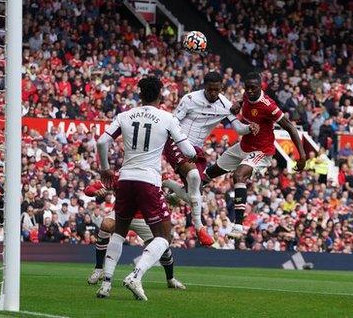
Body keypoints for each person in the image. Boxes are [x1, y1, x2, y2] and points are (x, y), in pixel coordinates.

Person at [95, 76, 196, 300]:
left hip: (125, 179)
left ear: (140, 94)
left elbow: (102, 142)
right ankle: (136, 275)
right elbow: (188, 152)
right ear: (161, 94)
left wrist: (105, 169)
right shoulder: (167, 118)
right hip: (148, 180)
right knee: (164, 236)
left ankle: (106, 285)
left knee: (119, 233)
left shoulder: (125, 115)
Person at [160, 71, 257, 247]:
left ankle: (168, 187)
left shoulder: (225, 105)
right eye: (210, 89)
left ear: (221, 88)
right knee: (196, 178)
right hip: (178, 142)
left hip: (196, 150)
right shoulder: (190, 99)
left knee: (194, 190)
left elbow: (239, 129)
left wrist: (251, 127)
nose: (213, 93)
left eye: (217, 90)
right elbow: (173, 123)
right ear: (204, 86)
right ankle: (200, 228)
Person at [204, 72, 306, 239]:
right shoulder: (246, 95)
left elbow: (290, 127)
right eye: (248, 88)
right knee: (209, 173)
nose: (250, 91)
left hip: (261, 151)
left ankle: (238, 225)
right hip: (243, 147)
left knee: (239, 175)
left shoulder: (269, 106)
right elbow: (244, 100)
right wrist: (238, 103)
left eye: (254, 88)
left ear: (261, 87)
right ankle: (179, 195)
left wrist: (302, 157)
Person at [85, 180, 186, 290]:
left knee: (163, 249)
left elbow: (170, 194)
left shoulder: (152, 176)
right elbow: (88, 189)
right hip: (122, 213)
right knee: (106, 224)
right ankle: (98, 269)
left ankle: (170, 279)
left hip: (143, 218)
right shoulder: (121, 176)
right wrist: (96, 191)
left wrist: (172, 197)